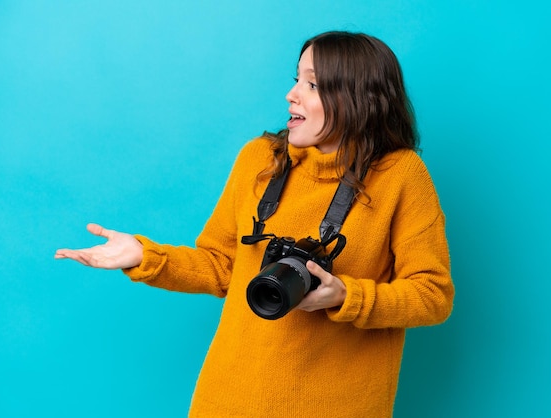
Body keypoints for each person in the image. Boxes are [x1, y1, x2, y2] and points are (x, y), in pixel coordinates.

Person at [55, 31, 454, 418]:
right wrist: (144, 256)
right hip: (226, 400)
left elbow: (433, 295)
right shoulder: (260, 159)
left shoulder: (401, 175)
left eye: (312, 85)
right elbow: (220, 267)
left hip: (338, 407)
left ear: (357, 99)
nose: (291, 94)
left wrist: (345, 296)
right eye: (295, 78)